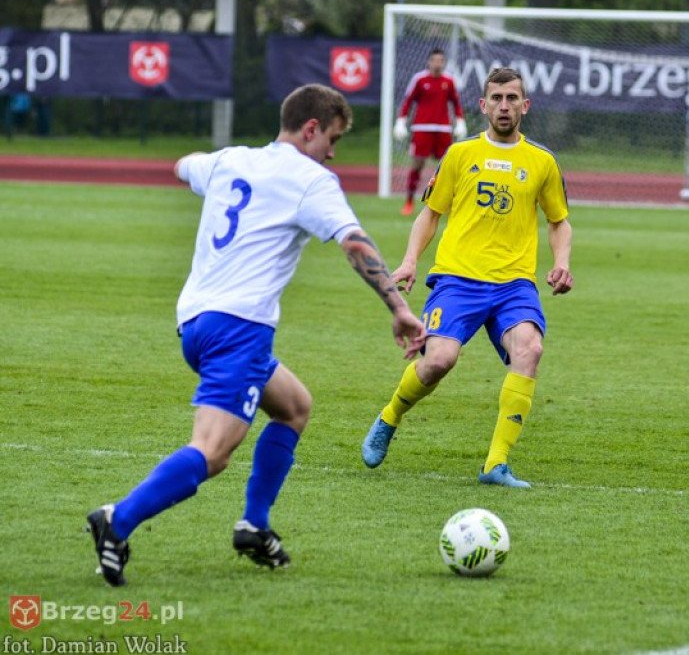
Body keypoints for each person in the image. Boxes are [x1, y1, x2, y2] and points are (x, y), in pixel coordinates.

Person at [86, 84, 427, 586]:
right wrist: (398, 307)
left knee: (294, 407)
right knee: (213, 451)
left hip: (196, 323)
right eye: (332, 139)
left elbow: (185, 164)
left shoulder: (230, 160)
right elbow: (354, 242)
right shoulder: (312, 180)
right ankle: (118, 520)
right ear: (312, 128)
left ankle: (255, 523)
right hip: (238, 328)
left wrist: (196, 167)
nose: (333, 153)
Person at [362, 66, 573, 488]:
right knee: (438, 360)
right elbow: (430, 215)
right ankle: (390, 416)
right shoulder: (459, 155)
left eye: (513, 98)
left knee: (529, 350)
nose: (504, 106)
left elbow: (559, 221)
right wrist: (408, 261)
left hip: (514, 284)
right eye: (497, 98)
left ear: (525, 106)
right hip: (458, 279)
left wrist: (562, 260)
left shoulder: (542, 162)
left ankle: (496, 464)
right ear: (483, 105)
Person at [394, 48, 467, 215]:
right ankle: (409, 202)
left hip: (443, 128)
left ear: (444, 63)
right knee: (417, 164)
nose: (437, 64)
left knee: (446, 167)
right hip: (422, 127)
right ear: (429, 62)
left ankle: (449, 202)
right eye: (434, 60)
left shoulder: (449, 81)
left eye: (440, 61)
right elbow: (408, 100)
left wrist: (460, 121)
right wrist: (401, 120)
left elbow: (455, 103)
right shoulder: (419, 79)